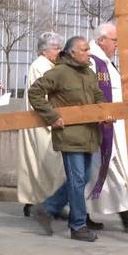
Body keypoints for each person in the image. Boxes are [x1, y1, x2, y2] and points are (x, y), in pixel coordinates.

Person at [27, 36, 107, 242]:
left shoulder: (89, 73)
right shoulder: (59, 72)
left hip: (89, 134)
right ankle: (78, 226)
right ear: (72, 52)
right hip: (70, 136)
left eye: (89, 49)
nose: (89, 52)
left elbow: (98, 96)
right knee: (78, 179)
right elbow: (35, 92)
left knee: (82, 178)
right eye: (84, 49)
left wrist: (104, 113)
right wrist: (52, 117)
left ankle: (46, 209)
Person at [85, 23, 128, 231]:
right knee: (111, 173)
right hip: (103, 130)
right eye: (114, 40)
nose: (117, 45)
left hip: (116, 127)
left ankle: (81, 213)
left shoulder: (106, 63)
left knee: (93, 176)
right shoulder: (92, 63)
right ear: (101, 41)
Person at [16, 32, 66, 217]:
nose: (59, 52)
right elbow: (40, 96)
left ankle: (47, 202)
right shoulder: (40, 66)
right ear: (44, 51)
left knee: (44, 165)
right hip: (41, 122)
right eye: (56, 48)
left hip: (45, 120)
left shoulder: (49, 65)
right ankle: (42, 203)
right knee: (44, 164)